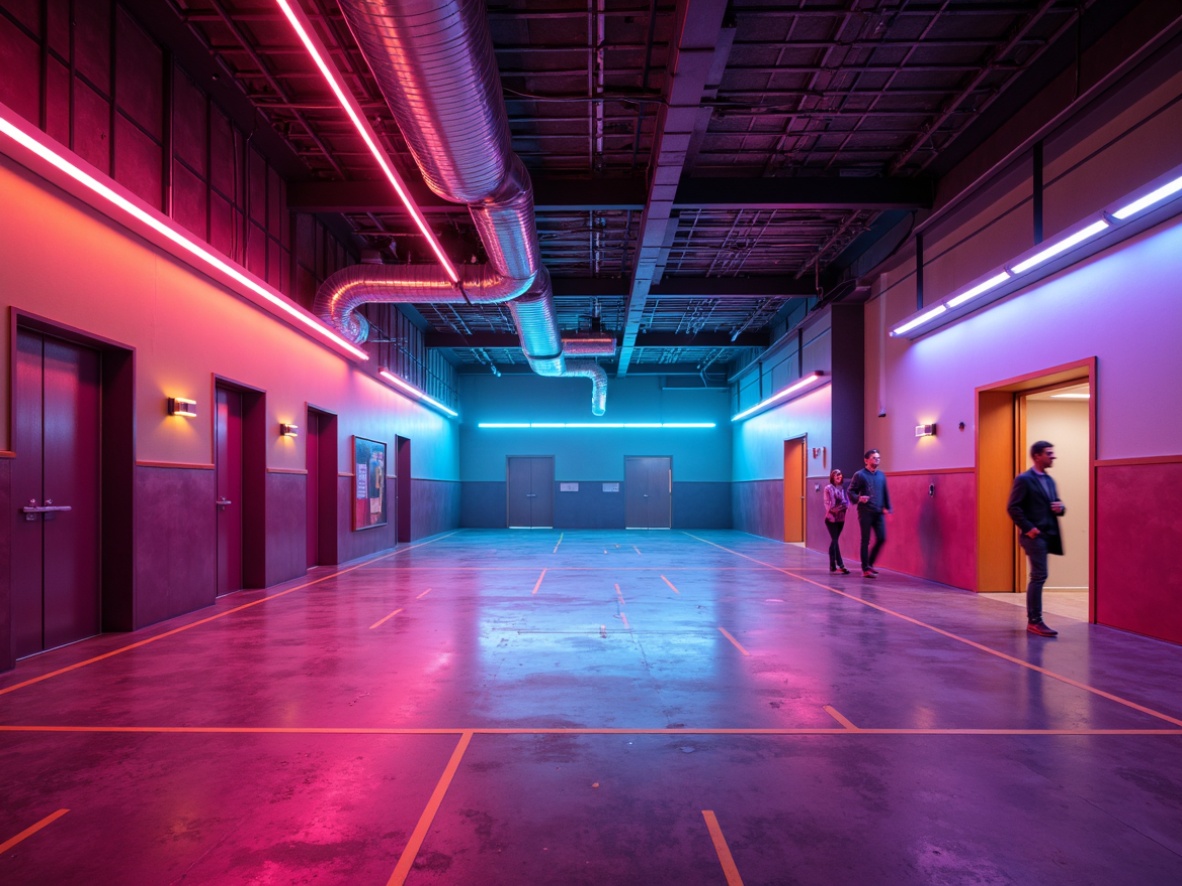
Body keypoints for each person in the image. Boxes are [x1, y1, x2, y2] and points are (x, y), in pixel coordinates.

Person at [1006, 440, 1066, 637]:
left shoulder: (1050, 481)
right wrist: (1029, 528)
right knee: (1039, 576)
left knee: (1040, 576)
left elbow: (1056, 504)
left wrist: (1061, 508)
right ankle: (1034, 621)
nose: (1053, 456)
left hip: (1048, 533)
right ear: (1037, 456)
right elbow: (1013, 507)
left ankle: (1035, 620)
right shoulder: (1024, 479)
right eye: (1049, 453)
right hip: (1034, 535)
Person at [849, 448, 891, 578]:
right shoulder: (860, 475)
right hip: (865, 512)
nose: (877, 459)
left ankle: (870, 564)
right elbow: (851, 491)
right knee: (865, 540)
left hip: (878, 512)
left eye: (878, 457)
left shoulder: (881, 475)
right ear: (866, 460)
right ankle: (865, 568)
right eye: (874, 457)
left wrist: (887, 508)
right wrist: (858, 498)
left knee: (882, 538)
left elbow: (885, 493)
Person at [823, 468, 851, 574]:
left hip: (841, 518)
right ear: (832, 477)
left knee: (835, 541)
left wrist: (844, 506)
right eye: (836, 475)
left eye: (840, 476)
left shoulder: (843, 488)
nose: (839, 477)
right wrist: (839, 507)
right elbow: (829, 505)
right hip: (831, 518)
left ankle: (833, 565)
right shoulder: (828, 488)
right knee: (835, 540)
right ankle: (840, 564)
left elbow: (847, 503)